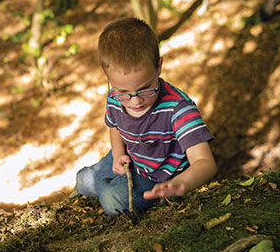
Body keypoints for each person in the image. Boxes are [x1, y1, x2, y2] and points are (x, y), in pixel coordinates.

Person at [74, 18, 216, 215]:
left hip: (161, 177)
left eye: (145, 89)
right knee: (82, 179)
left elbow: (205, 162)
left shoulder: (178, 109)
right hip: (132, 159)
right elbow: (114, 126)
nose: (135, 101)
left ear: (158, 66)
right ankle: (102, 184)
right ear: (107, 75)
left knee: (111, 198)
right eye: (124, 92)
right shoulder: (115, 97)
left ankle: (122, 191)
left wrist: (179, 184)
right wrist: (117, 154)